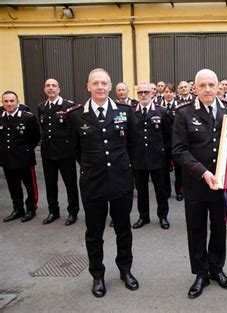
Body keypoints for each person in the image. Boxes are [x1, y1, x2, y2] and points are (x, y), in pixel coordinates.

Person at [66, 68, 139, 297]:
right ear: (88, 87)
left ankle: (125, 270)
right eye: (95, 83)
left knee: (123, 230)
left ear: (110, 86)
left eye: (104, 83)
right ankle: (97, 275)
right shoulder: (76, 115)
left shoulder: (125, 111)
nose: (100, 87)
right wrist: (93, 166)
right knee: (94, 233)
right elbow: (76, 150)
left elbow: (133, 146)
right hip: (93, 183)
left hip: (120, 181)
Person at [173, 69, 227, 299]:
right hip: (196, 184)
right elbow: (179, 150)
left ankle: (217, 268)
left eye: (212, 84)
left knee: (219, 230)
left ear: (219, 86)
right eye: (203, 85)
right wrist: (202, 172)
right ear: (195, 88)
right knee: (197, 229)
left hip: (222, 185)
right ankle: (201, 273)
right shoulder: (183, 113)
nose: (208, 89)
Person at [37, 78, 80, 226]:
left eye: (53, 86)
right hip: (48, 152)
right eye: (47, 86)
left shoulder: (69, 106)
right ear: (44, 89)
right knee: (50, 184)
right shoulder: (41, 107)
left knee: (70, 184)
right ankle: (53, 212)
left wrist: (74, 150)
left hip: (65, 152)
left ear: (59, 89)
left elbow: (75, 130)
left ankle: (73, 212)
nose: (50, 88)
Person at [131, 82, 172, 230]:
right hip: (138, 158)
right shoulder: (131, 112)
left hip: (158, 159)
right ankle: (144, 216)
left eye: (146, 92)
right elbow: (129, 138)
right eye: (140, 92)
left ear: (152, 94)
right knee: (141, 191)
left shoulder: (162, 112)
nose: (143, 95)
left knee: (160, 190)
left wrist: (167, 159)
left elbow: (168, 137)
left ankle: (163, 217)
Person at [1, 91, 41, 223]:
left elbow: (35, 137)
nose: (9, 104)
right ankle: (18, 209)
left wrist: (26, 151)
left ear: (17, 102)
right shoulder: (1, 117)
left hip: (24, 158)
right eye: (6, 101)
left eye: (12, 101)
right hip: (7, 158)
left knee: (30, 185)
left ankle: (31, 209)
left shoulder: (27, 117)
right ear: (3, 103)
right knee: (13, 186)